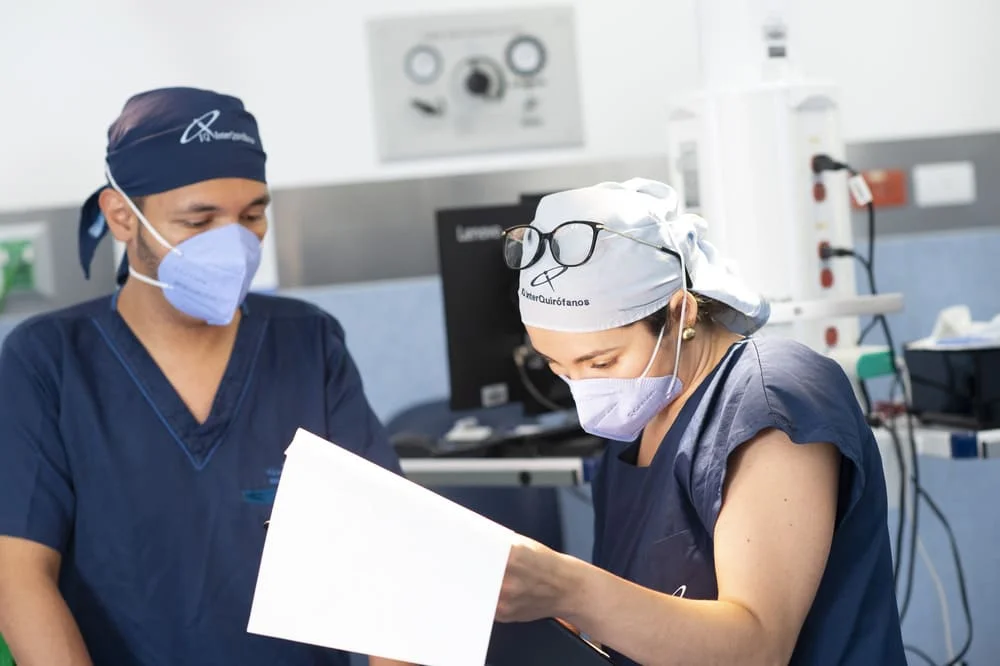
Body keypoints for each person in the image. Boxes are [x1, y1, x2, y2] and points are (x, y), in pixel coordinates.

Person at [0, 88, 411, 666]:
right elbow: (18, 574)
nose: (235, 244)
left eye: (253, 216)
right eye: (199, 220)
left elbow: (387, 547)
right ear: (122, 217)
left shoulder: (307, 343)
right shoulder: (49, 361)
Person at [493, 179, 906, 665]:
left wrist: (571, 590)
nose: (583, 388)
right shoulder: (638, 425)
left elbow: (756, 650)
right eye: (557, 367)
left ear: (681, 313)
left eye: (601, 362)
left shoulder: (773, 398)